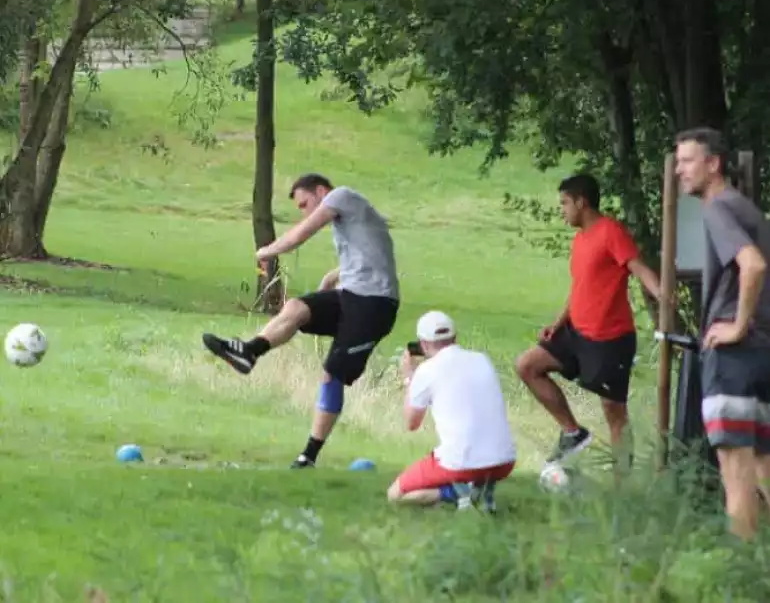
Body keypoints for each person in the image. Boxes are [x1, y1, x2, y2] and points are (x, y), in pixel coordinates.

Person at [202, 173, 400, 469]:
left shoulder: (341, 196)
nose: (307, 212)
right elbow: (371, 252)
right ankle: (249, 352)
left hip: (374, 306)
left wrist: (266, 251)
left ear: (321, 191)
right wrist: (334, 276)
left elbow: (299, 236)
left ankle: (308, 456)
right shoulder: (353, 213)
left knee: (332, 375)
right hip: (351, 295)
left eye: (306, 203)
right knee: (296, 307)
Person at [515, 173, 662, 467]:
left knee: (614, 413)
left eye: (565, 203)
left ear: (581, 202)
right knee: (527, 365)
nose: (562, 210)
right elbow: (581, 287)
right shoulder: (580, 240)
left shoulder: (611, 232)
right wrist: (558, 324)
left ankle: (622, 488)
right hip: (574, 333)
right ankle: (573, 431)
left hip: (609, 339)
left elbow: (638, 268)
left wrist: (663, 296)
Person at [675, 127, 770, 541]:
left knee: (736, 475)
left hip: (734, 359)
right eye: (678, 162)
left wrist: (736, 325)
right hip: (763, 354)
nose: (680, 170)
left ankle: (740, 572)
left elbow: (753, 266)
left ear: (713, 164)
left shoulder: (718, 208)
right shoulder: (747, 210)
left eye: (687, 161)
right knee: (765, 467)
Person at [387, 311, 516, 513]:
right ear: (454, 338)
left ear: (423, 344)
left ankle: (457, 494)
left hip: (460, 463)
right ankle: (476, 489)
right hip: (504, 460)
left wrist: (409, 379)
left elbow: (411, 423)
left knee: (396, 494)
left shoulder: (426, 370)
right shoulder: (482, 359)